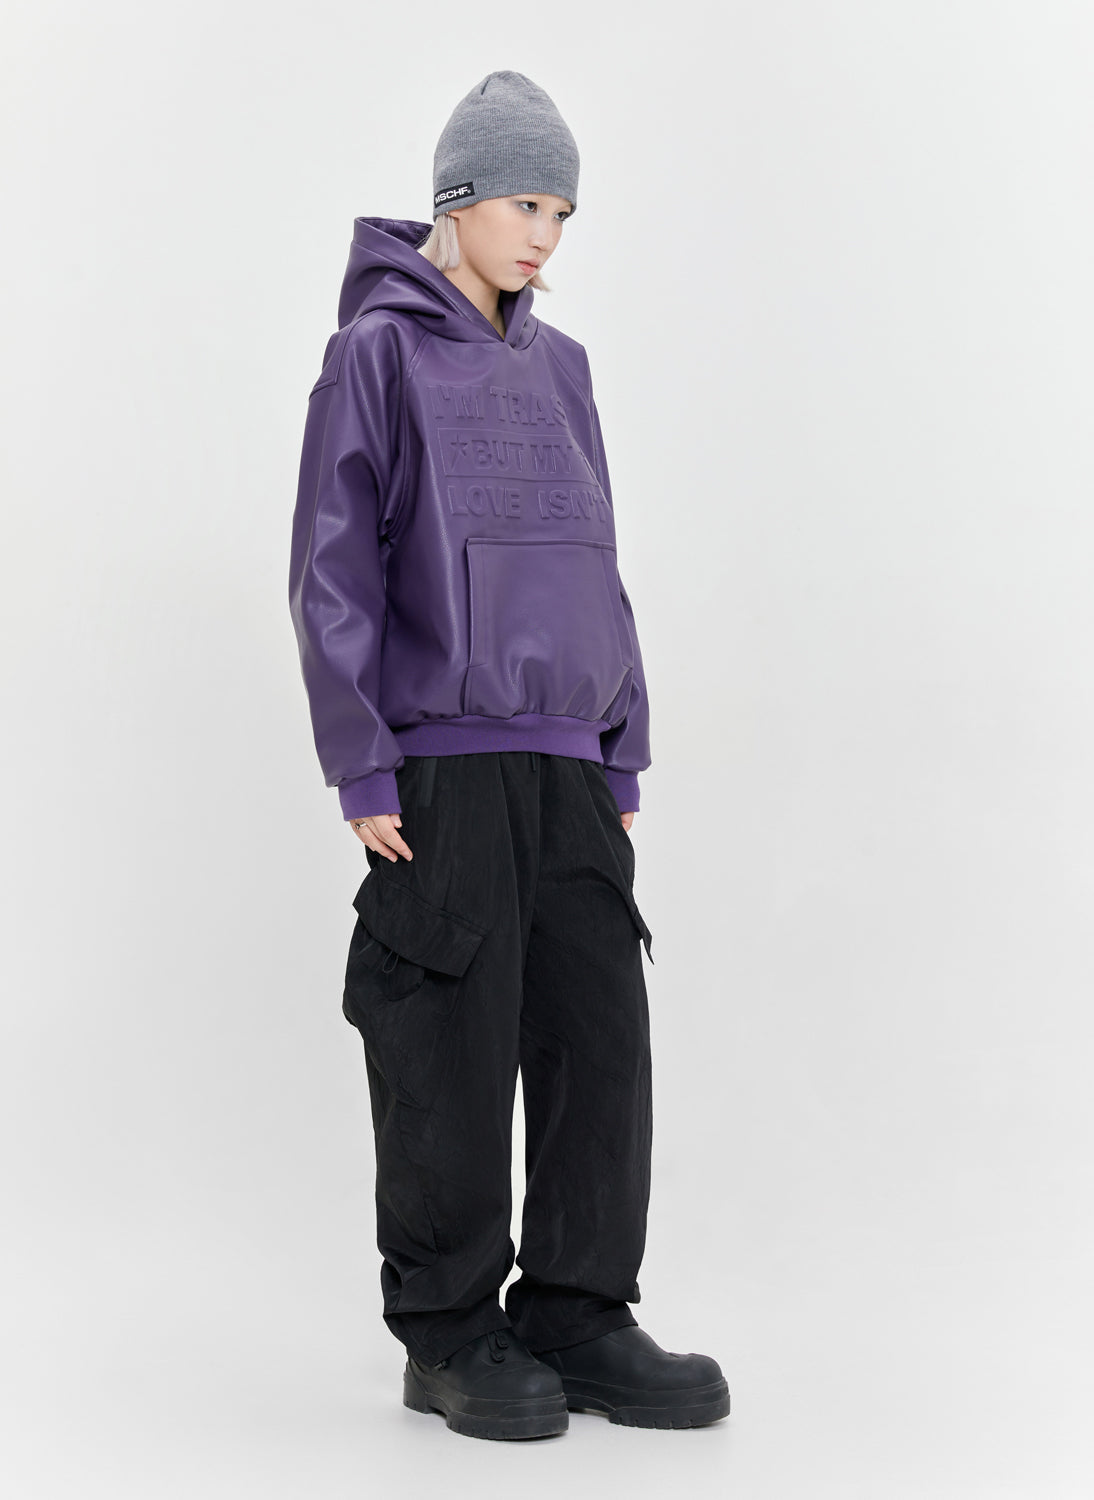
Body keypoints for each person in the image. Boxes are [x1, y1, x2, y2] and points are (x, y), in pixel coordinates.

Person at [288, 69, 730, 1441]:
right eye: (526, 203)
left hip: (569, 761)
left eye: (562, 212)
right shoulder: (376, 353)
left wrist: (622, 743)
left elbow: (596, 558)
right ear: (458, 199)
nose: (544, 234)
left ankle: (578, 1314)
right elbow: (331, 566)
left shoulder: (563, 369)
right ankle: (446, 1331)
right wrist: (363, 763)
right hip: (444, 759)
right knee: (449, 1042)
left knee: (600, 1038)